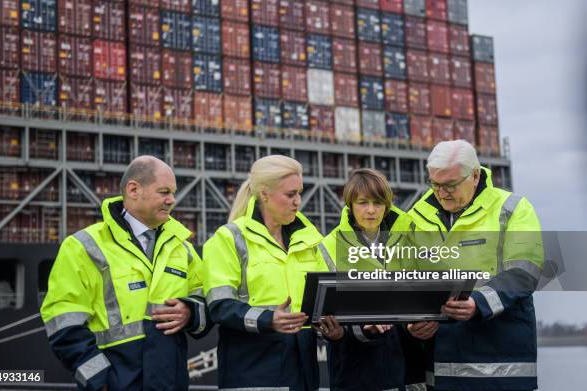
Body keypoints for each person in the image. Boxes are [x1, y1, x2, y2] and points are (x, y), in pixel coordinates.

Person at [40, 156, 209, 391]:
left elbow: (207, 299)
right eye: (164, 192)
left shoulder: (183, 249)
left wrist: (190, 311)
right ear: (133, 189)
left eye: (173, 192)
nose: (172, 200)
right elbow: (63, 324)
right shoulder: (83, 247)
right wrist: (99, 381)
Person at [406, 140, 543, 391]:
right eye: (435, 184)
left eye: (450, 185)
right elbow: (406, 279)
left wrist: (478, 303)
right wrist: (415, 319)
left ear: (475, 175)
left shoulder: (512, 209)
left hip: (502, 370)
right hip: (440, 371)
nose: (441, 192)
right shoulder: (414, 218)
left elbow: (525, 271)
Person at [202, 155, 328, 391]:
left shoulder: (312, 240)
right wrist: (268, 319)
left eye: (300, 193)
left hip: (303, 373)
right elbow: (219, 305)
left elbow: (328, 298)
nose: (298, 201)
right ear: (264, 194)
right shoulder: (228, 239)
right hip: (252, 373)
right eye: (290, 195)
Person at [315, 168, 426, 391]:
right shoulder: (328, 246)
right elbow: (323, 313)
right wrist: (359, 326)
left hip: (406, 365)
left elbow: (420, 294)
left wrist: (419, 323)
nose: (371, 210)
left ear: (386, 205)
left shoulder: (410, 239)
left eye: (378, 203)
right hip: (354, 368)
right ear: (350, 205)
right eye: (363, 202)